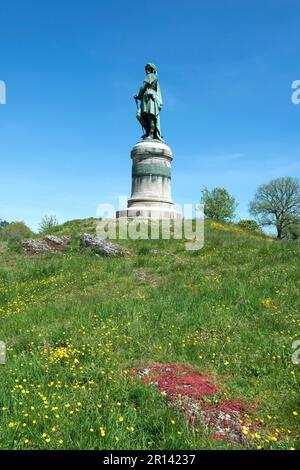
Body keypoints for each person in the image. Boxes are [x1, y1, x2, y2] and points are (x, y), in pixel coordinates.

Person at [134, 63, 163, 141]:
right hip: (145, 99)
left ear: (152, 70)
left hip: (151, 98)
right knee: (139, 115)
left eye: (149, 68)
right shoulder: (150, 76)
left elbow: (143, 86)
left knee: (151, 116)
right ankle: (148, 131)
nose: (147, 70)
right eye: (146, 69)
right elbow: (144, 89)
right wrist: (139, 96)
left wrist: (138, 95)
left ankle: (150, 134)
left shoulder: (151, 76)